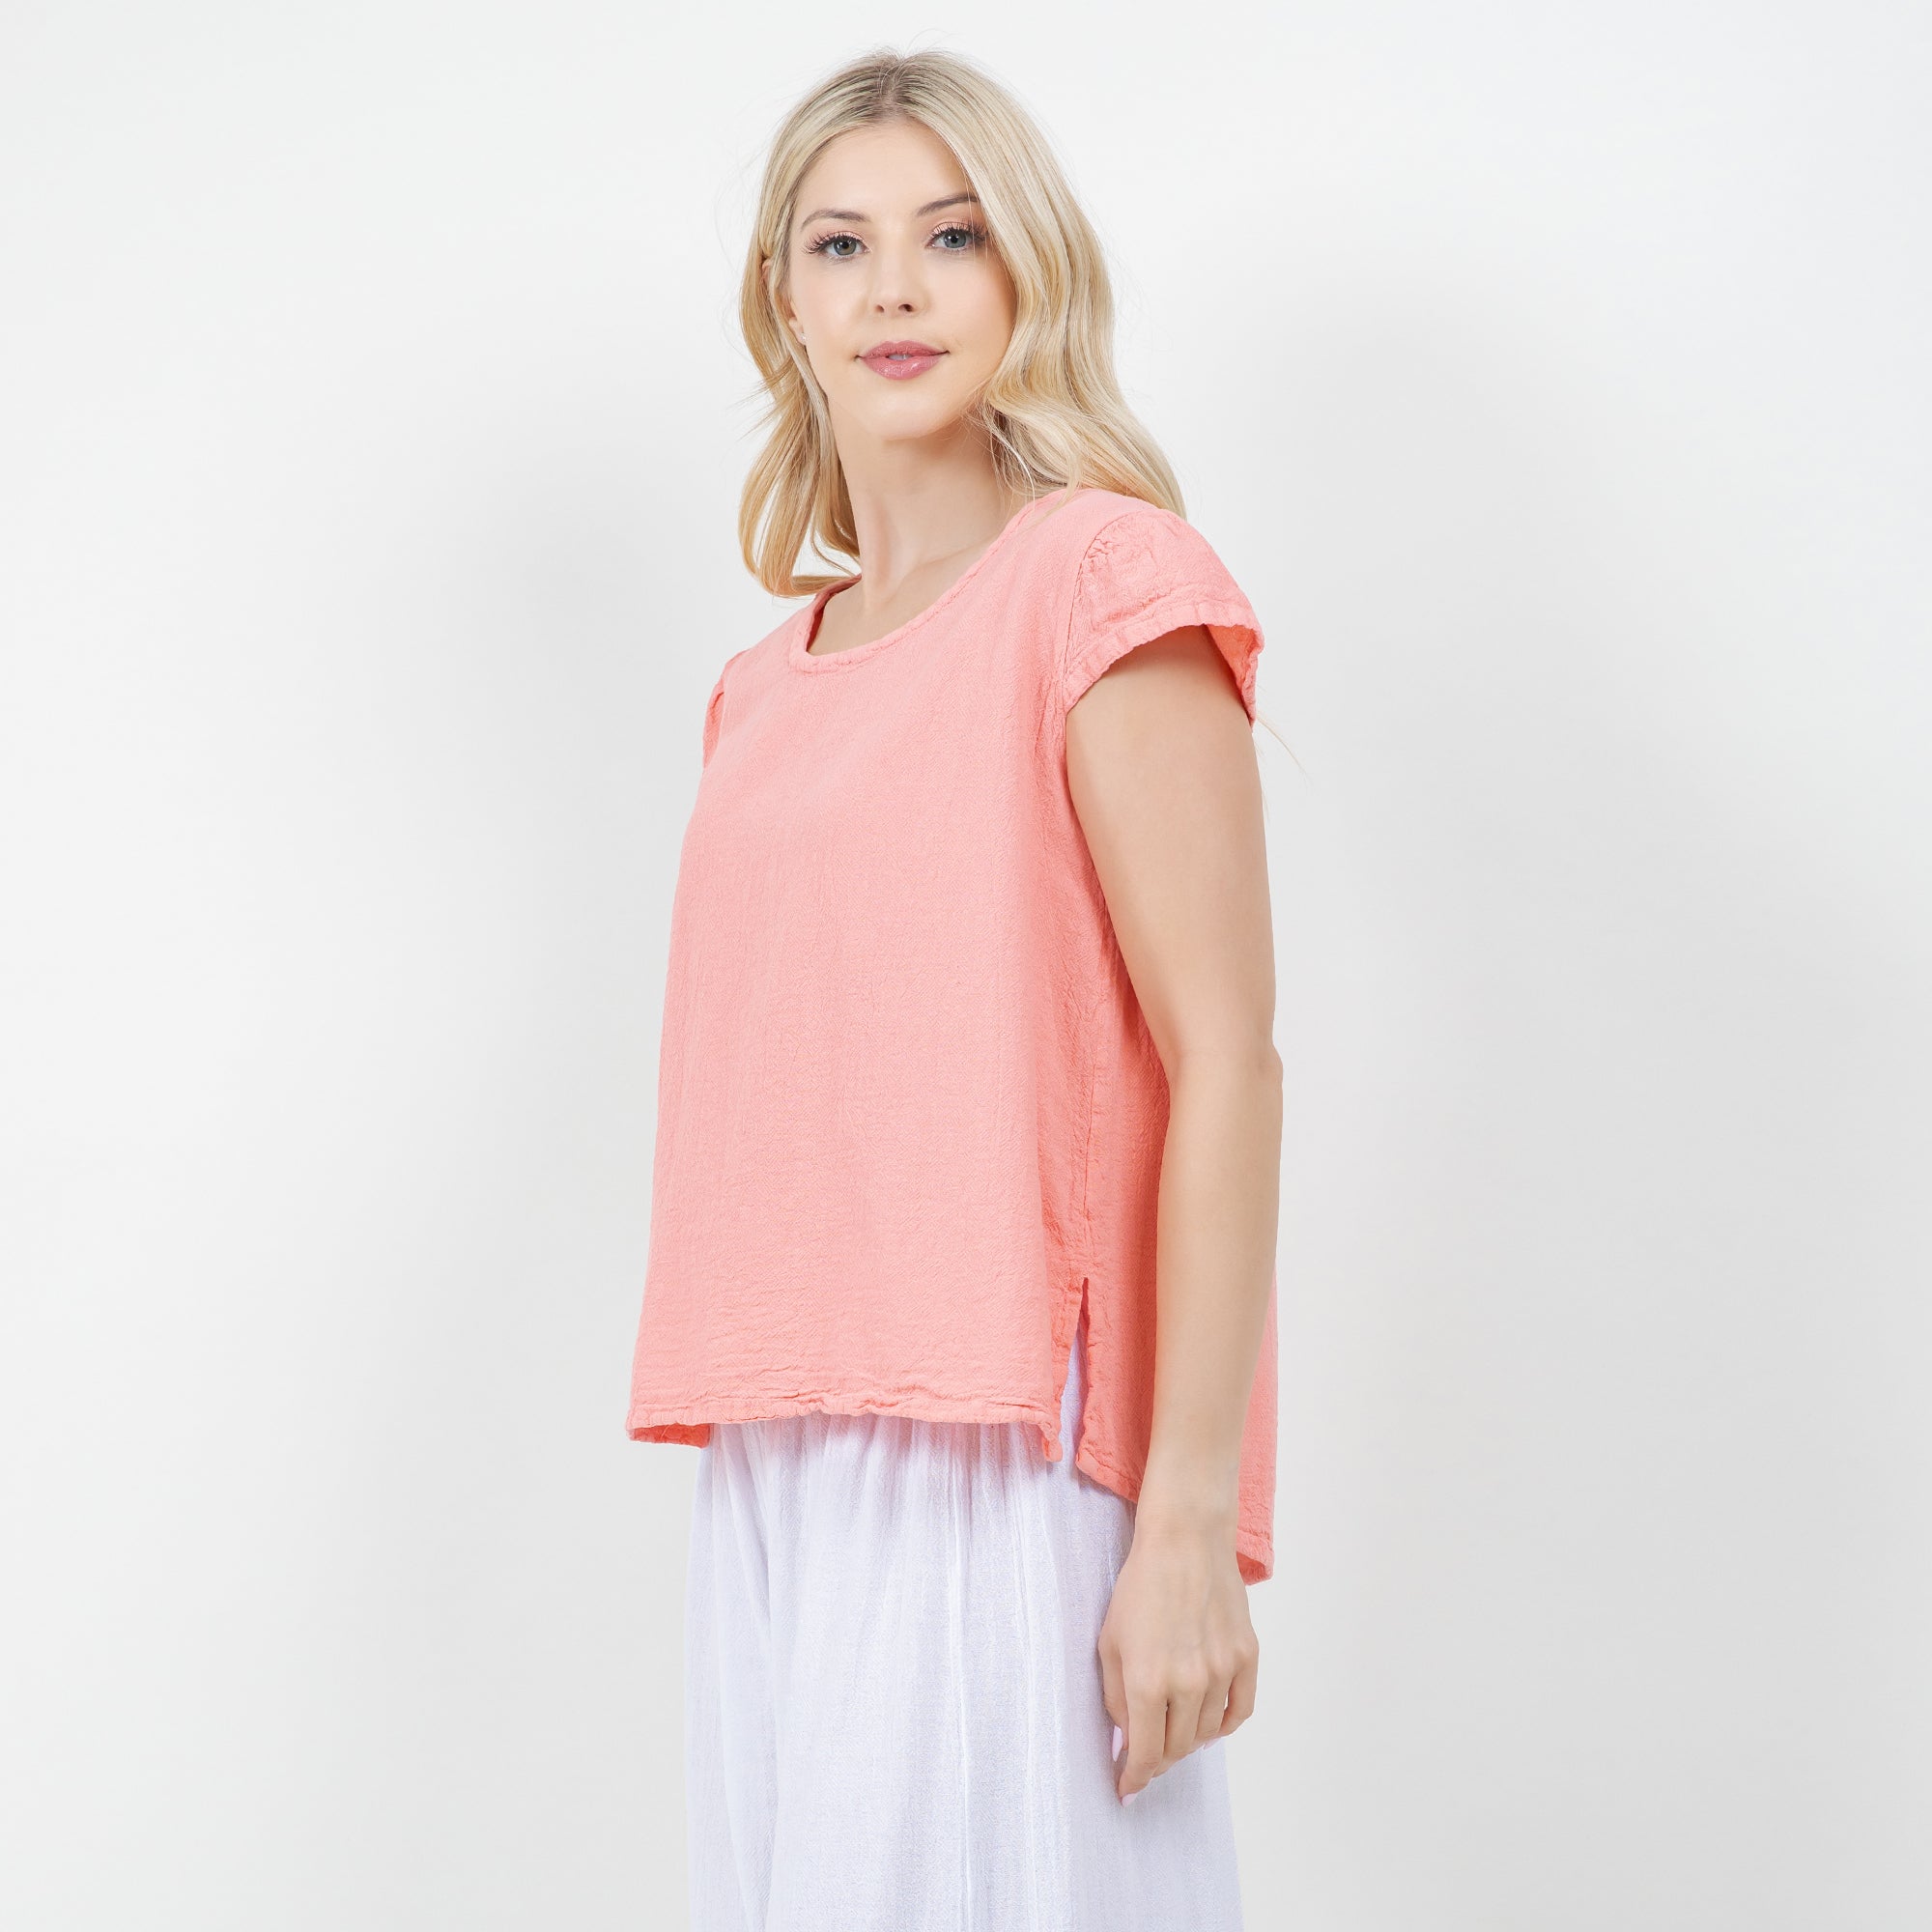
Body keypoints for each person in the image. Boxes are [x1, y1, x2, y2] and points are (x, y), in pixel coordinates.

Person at [625, 45, 1282, 1931]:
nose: (894, 289)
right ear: (785, 299)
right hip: (778, 1442)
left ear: (1027, 273)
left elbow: (1226, 1061)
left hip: (1006, 1433)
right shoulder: (760, 689)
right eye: (840, 244)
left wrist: (1184, 1518)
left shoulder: (1103, 582)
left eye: (953, 235)